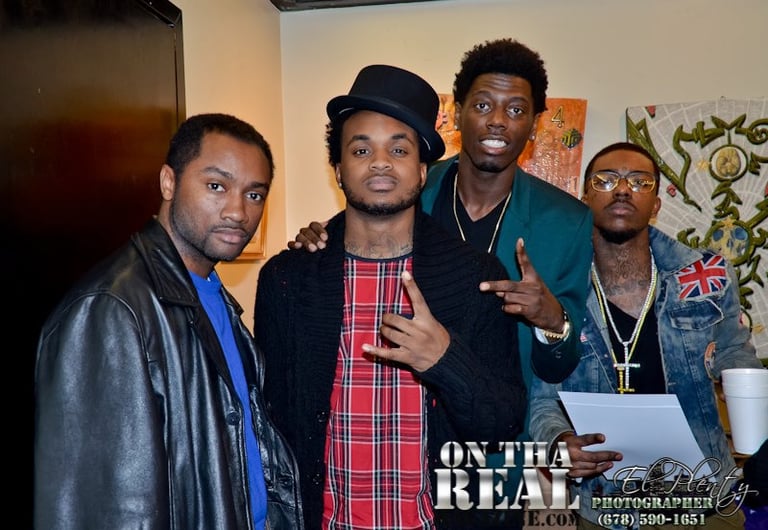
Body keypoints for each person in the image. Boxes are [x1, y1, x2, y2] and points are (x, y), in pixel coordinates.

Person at [287, 39, 594, 528]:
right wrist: (316, 241)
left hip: (520, 445)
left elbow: (562, 365)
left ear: (534, 124)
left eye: (516, 110)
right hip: (411, 440)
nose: (498, 121)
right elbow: (356, 231)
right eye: (483, 105)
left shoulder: (568, 221)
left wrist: (551, 319)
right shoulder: (409, 184)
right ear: (458, 116)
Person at [253, 64, 527, 530]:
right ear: (338, 170)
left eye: (399, 149)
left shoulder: (475, 277)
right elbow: (270, 421)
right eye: (361, 150)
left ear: (421, 170)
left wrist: (445, 360)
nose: (380, 163)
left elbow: (503, 422)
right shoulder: (289, 279)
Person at [34, 113, 304, 530]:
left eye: (254, 194)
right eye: (216, 186)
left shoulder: (212, 295)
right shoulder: (111, 308)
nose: (238, 211)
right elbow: (108, 509)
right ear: (168, 182)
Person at [528, 141, 764, 530]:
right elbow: (541, 398)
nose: (623, 190)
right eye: (606, 180)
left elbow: (735, 352)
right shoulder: (555, 290)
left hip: (702, 500)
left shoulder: (705, 276)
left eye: (639, 181)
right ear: (585, 198)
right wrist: (559, 442)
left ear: (656, 204)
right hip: (604, 507)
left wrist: (739, 379)